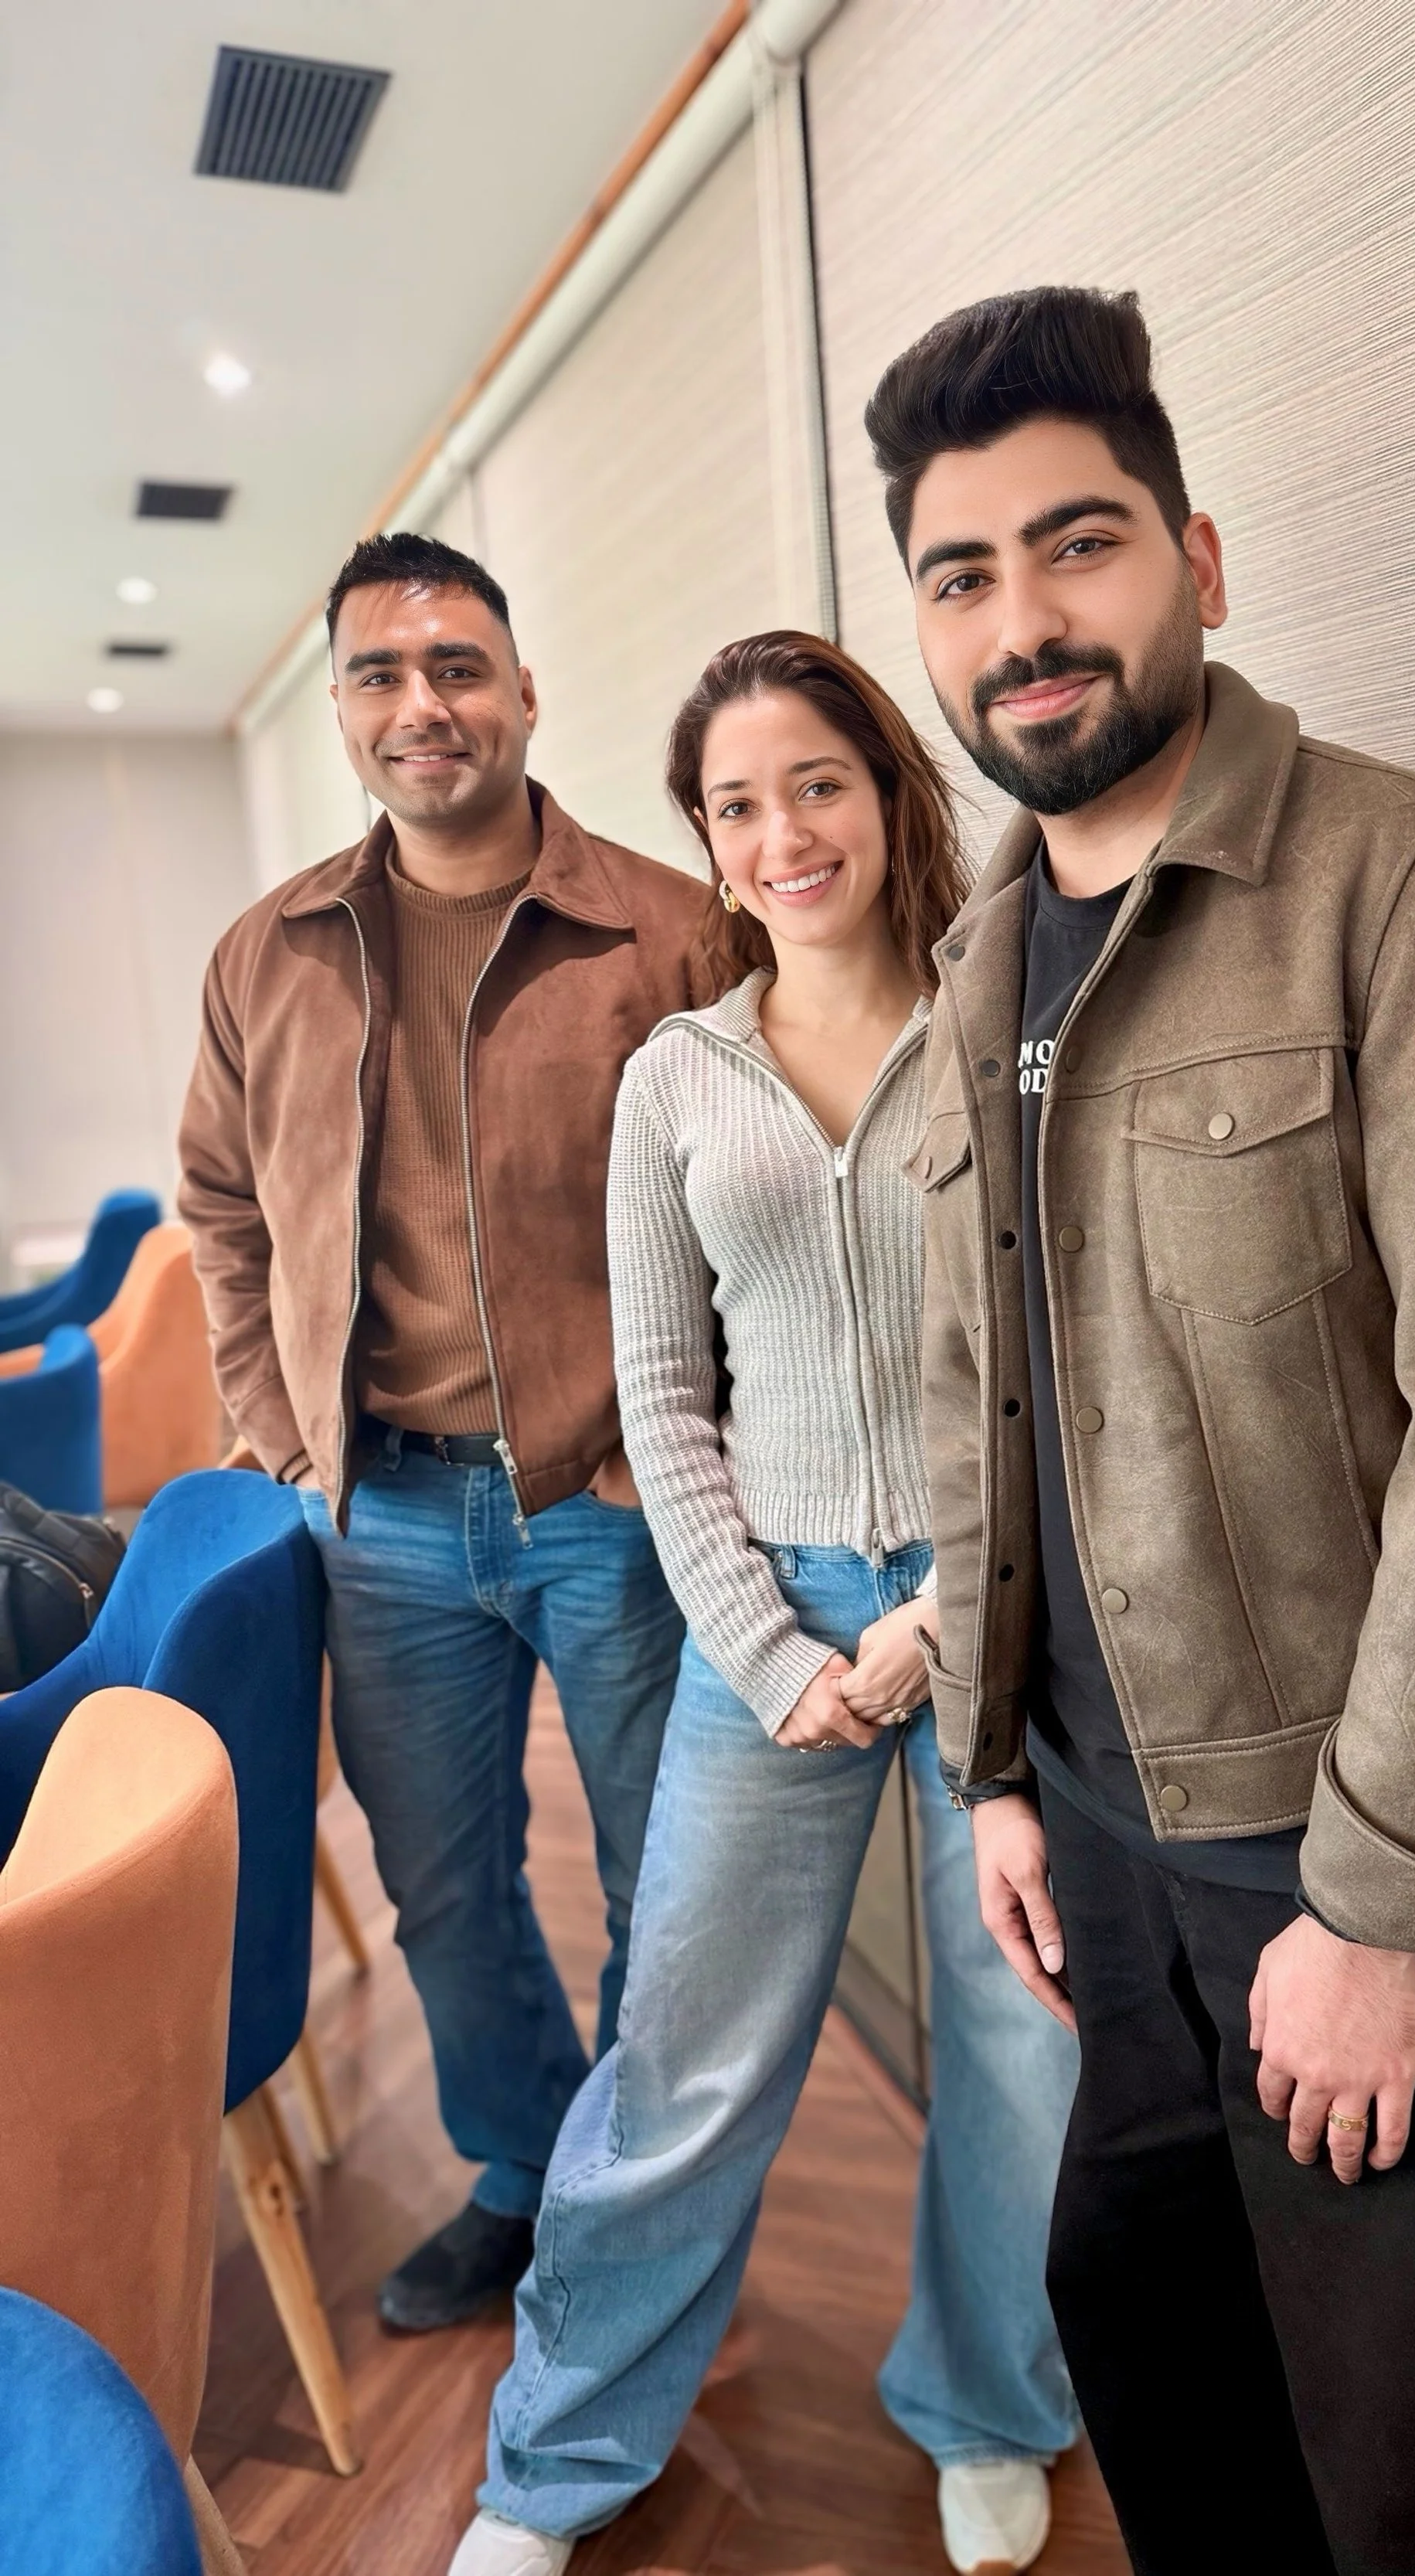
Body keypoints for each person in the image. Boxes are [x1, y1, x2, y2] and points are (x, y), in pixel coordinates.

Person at [868, 287, 1415, 2574]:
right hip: (1097, 1856)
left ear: (1197, 556)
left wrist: (1379, 1895)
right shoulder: (971, 976)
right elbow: (963, 1403)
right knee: (1168, 2380)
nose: (1025, 621)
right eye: (960, 572)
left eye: (1074, 543)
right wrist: (988, 1766)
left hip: (1339, 1845)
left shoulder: (1402, 885)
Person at [451, 632, 1080, 2576]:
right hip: (768, 1618)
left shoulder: (1010, 1026)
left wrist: (933, 1626)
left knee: (1022, 2046)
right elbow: (660, 1394)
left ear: (892, 794)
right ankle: (545, 2473)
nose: (783, 830)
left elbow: (1061, 1357)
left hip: (994, 1611)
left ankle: (989, 2406)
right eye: (737, 803)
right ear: (709, 851)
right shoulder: (675, 1079)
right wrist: (769, 1644)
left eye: (817, 780)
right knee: (686, 2059)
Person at [178, 532, 708, 2333]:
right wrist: (270, 1419)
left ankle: (640, 2204)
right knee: (442, 1897)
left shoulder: (666, 926)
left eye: (459, 666)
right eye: (381, 676)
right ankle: (523, 2166)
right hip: (385, 1518)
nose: (426, 706)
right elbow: (218, 1203)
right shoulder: (271, 955)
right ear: (340, 708)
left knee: (672, 1885)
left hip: (621, 1504)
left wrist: (697, 1452)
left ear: (524, 690)